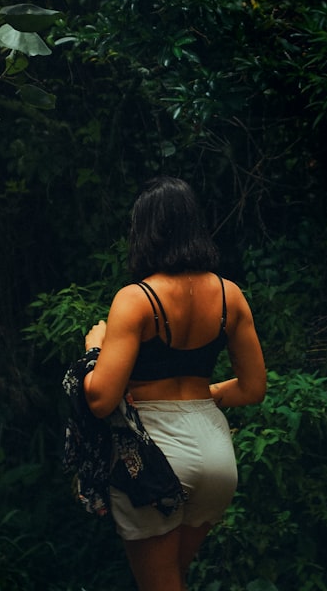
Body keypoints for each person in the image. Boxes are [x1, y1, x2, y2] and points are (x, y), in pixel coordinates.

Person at [81, 176, 267, 591]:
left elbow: (100, 397)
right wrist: (208, 395)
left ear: (144, 230)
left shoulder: (136, 299)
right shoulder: (230, 295)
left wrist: (94, 349)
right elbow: (253, 388)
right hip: (216, 452)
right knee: (172, 580)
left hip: (157, 453)